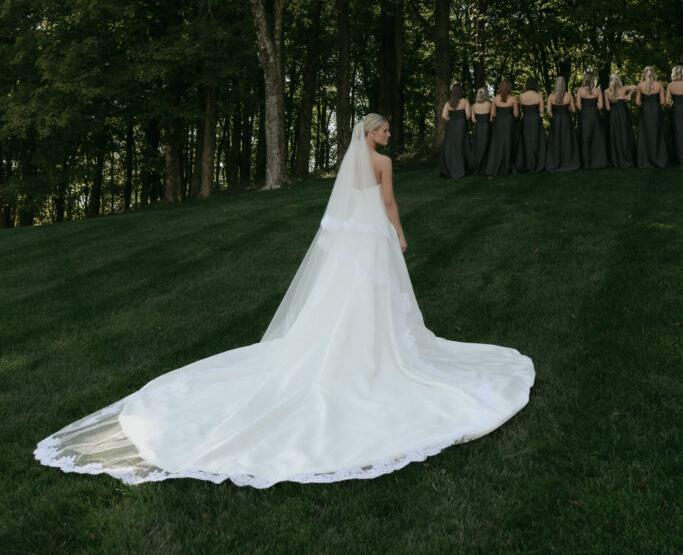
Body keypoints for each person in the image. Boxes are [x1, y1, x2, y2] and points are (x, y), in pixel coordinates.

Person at [35, 114, 535, 488]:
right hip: (373, 239)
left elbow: (341, 209)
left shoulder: (349, 164)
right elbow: (387, 205)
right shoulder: (380, 162)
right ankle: (373, 356)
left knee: (342, 299)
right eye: (384, 131)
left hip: (348, 243)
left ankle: (349, 348)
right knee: (376, 300)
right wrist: (400, 235)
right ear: (374, 132)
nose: (388, 137)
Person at [635, 66, 669, 168]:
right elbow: (662, 102)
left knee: (645, 134)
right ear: (654, 74)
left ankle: (645, 160)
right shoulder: (659, 85)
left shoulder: (640, 85)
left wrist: (645, 105)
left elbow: (637, 102)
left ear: (644, 74)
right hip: (656, 110)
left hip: (645, 110)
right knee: (657, 133)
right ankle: (659, 159)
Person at [545, 77, 580, 172]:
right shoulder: (569, 96)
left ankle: (554, 163)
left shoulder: (551, 96)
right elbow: (573, 110)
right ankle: (569, 163)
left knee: (555, 141)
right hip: (566, 119)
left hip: (556, 119)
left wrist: (554, 118)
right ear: (564, 85)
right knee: (567, 140)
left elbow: (548, 111)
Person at [484, 80, 518, 175]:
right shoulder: (513, 99)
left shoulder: (495, 99)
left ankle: (497, 165)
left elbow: (493, 114)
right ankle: (508, 165)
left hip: (499, 123)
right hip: (509, 123)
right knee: (508, 142)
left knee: (498, 144)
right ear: (509, 87)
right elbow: (516, 114)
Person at [437, 83, 471, 179]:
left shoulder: (448, 103)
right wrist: (461, 119)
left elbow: (444, 116)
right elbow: (468, 115)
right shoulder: (465, 101)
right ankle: (462, 169)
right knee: (461, 145)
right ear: (461, 91)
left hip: (451, 126)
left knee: (451, 146)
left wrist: (452, 120)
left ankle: (449, 169)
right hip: (461, 125)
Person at [514, 77, 546, 173]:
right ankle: (537, 164)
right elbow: (541, 111)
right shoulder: (539, 96)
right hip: (535, 120)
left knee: (526, 142)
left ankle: (527, 164)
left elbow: (520, 111)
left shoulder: (521, 96)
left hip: (526, 120)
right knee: (536, 142)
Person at [576, 72, 608, 170]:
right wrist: (594, 107)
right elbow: (601, 106)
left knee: (585, 137)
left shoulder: (580, 90)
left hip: (585, 114)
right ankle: (598, 162)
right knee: (596, 137)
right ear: (593, 79)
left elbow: (578, 106)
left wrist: (585, 110)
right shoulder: (598, 91)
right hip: (595, 114)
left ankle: (586, 163)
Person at [604, 74, 637, 168]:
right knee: (625, 135)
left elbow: (608, 108)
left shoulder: (606, 91)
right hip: (623, 115)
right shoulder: (623, 89)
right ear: (618, 80)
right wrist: (629, 95)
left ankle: (616, 160)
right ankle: (628, 159)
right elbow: (635, 86)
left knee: (615, 136)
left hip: (614, 115)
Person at [469, 87, 492, 174]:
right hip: (486, 126)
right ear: (486, 94)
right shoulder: (489, 104)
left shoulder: (474, 106)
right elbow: (491, 119)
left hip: (478, 127)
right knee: (487, 146)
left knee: (478, 147)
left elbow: (473, 120)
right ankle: (486, 166)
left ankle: (477, 165)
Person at [666, 65, 683, 166]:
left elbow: (667, 101)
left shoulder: (670, 85)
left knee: (678, 134)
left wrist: (675, 105)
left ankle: (680, 159)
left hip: (676, 110)